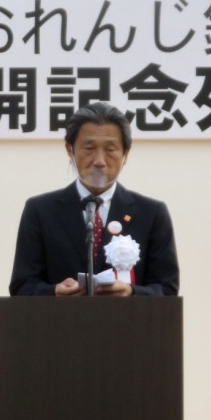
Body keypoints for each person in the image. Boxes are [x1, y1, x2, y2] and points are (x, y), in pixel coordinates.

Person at [9, 102, 179, 296]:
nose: (99, 161)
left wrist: (131, 292)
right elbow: (22, 286)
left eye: (110, 149)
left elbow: (167, 289)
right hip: (60, 316)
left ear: (125, 154)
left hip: (129, 316)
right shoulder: (40, 210)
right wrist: (54, 292)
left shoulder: (151, 213)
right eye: (89, 148)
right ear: (70, 150)